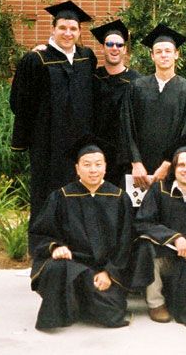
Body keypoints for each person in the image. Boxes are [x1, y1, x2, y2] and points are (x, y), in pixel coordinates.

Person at [28, 136, 133, 330]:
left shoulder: (119, 198)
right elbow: (40, 233)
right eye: (86, 164)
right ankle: (76, 299)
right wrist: (56, 247)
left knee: (111, 315)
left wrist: (109, 273)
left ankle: (80, 300)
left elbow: (126, 243)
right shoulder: (61, 196)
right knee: (56, 268)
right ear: (77, 168)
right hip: (72, 266)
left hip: (104, 269)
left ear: (105, 167)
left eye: (98, 164)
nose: (93, 170)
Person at [10, 0, 97, 224]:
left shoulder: (86, 58)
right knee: (46, 194)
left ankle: (76, 246)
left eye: (73, 29)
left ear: (79, 31)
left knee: (79, 193)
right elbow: (19, 102)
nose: (68, 33)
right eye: (62, 28)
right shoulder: (36, 60)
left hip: (79, 142)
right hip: (47, 144)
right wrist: (28, 138)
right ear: (53, 29)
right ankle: (43, 247)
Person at [130, 135, 186, 325]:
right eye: (181, 165)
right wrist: (175, 237)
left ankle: (175, 296)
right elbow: (143, 223)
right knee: (146, 248)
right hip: (163, 256)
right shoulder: (159, 191)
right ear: (173, 168)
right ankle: (156, 302)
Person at [123, 23, 186, 191]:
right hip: (140, 172)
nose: (163, 55)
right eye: (158, 52)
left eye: (168, 51)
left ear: (176, 54)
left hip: (175, 169)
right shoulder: (136, 87)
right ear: (152, 56)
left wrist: (168, 164)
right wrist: (136, 162)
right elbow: (127, 126)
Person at [90, 19, 141, 187]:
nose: (114, 48)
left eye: (119, 45)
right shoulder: (92, 79)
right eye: (110, 44)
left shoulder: (137, 82)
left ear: (125, 49)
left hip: (125, 158)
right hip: (96, 155)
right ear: (102, 47)